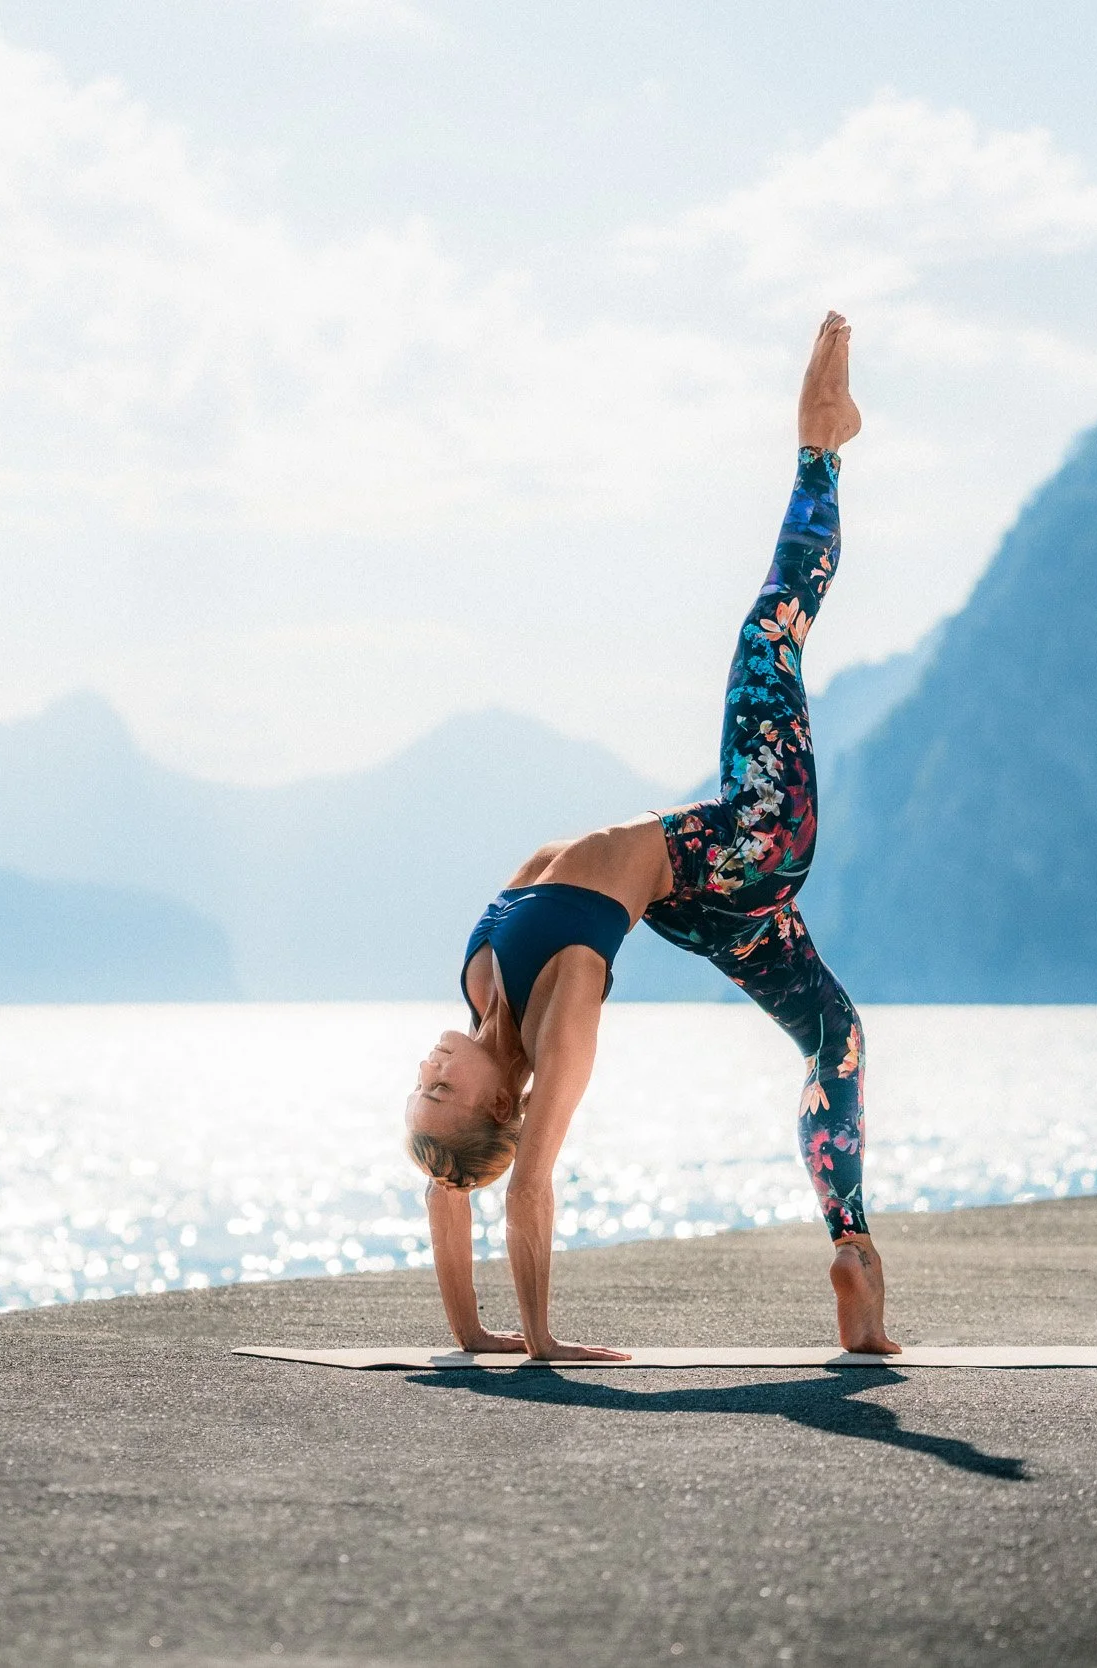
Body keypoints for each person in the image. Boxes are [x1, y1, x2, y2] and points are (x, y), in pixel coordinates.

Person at [404, 311, 896, 1362]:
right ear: (500, 1099)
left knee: (834, 1036)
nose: (430, 1070)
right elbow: (524, 1176)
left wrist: (473, 1332)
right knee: (768, 639)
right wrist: (539, 1340)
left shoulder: (482, 998)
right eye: (447, 1089)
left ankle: (853, 1250)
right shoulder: (555, 1012)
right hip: (745, 845)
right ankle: (821, 446)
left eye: (422, 1085)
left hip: (708, 910)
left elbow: (452, 1182)